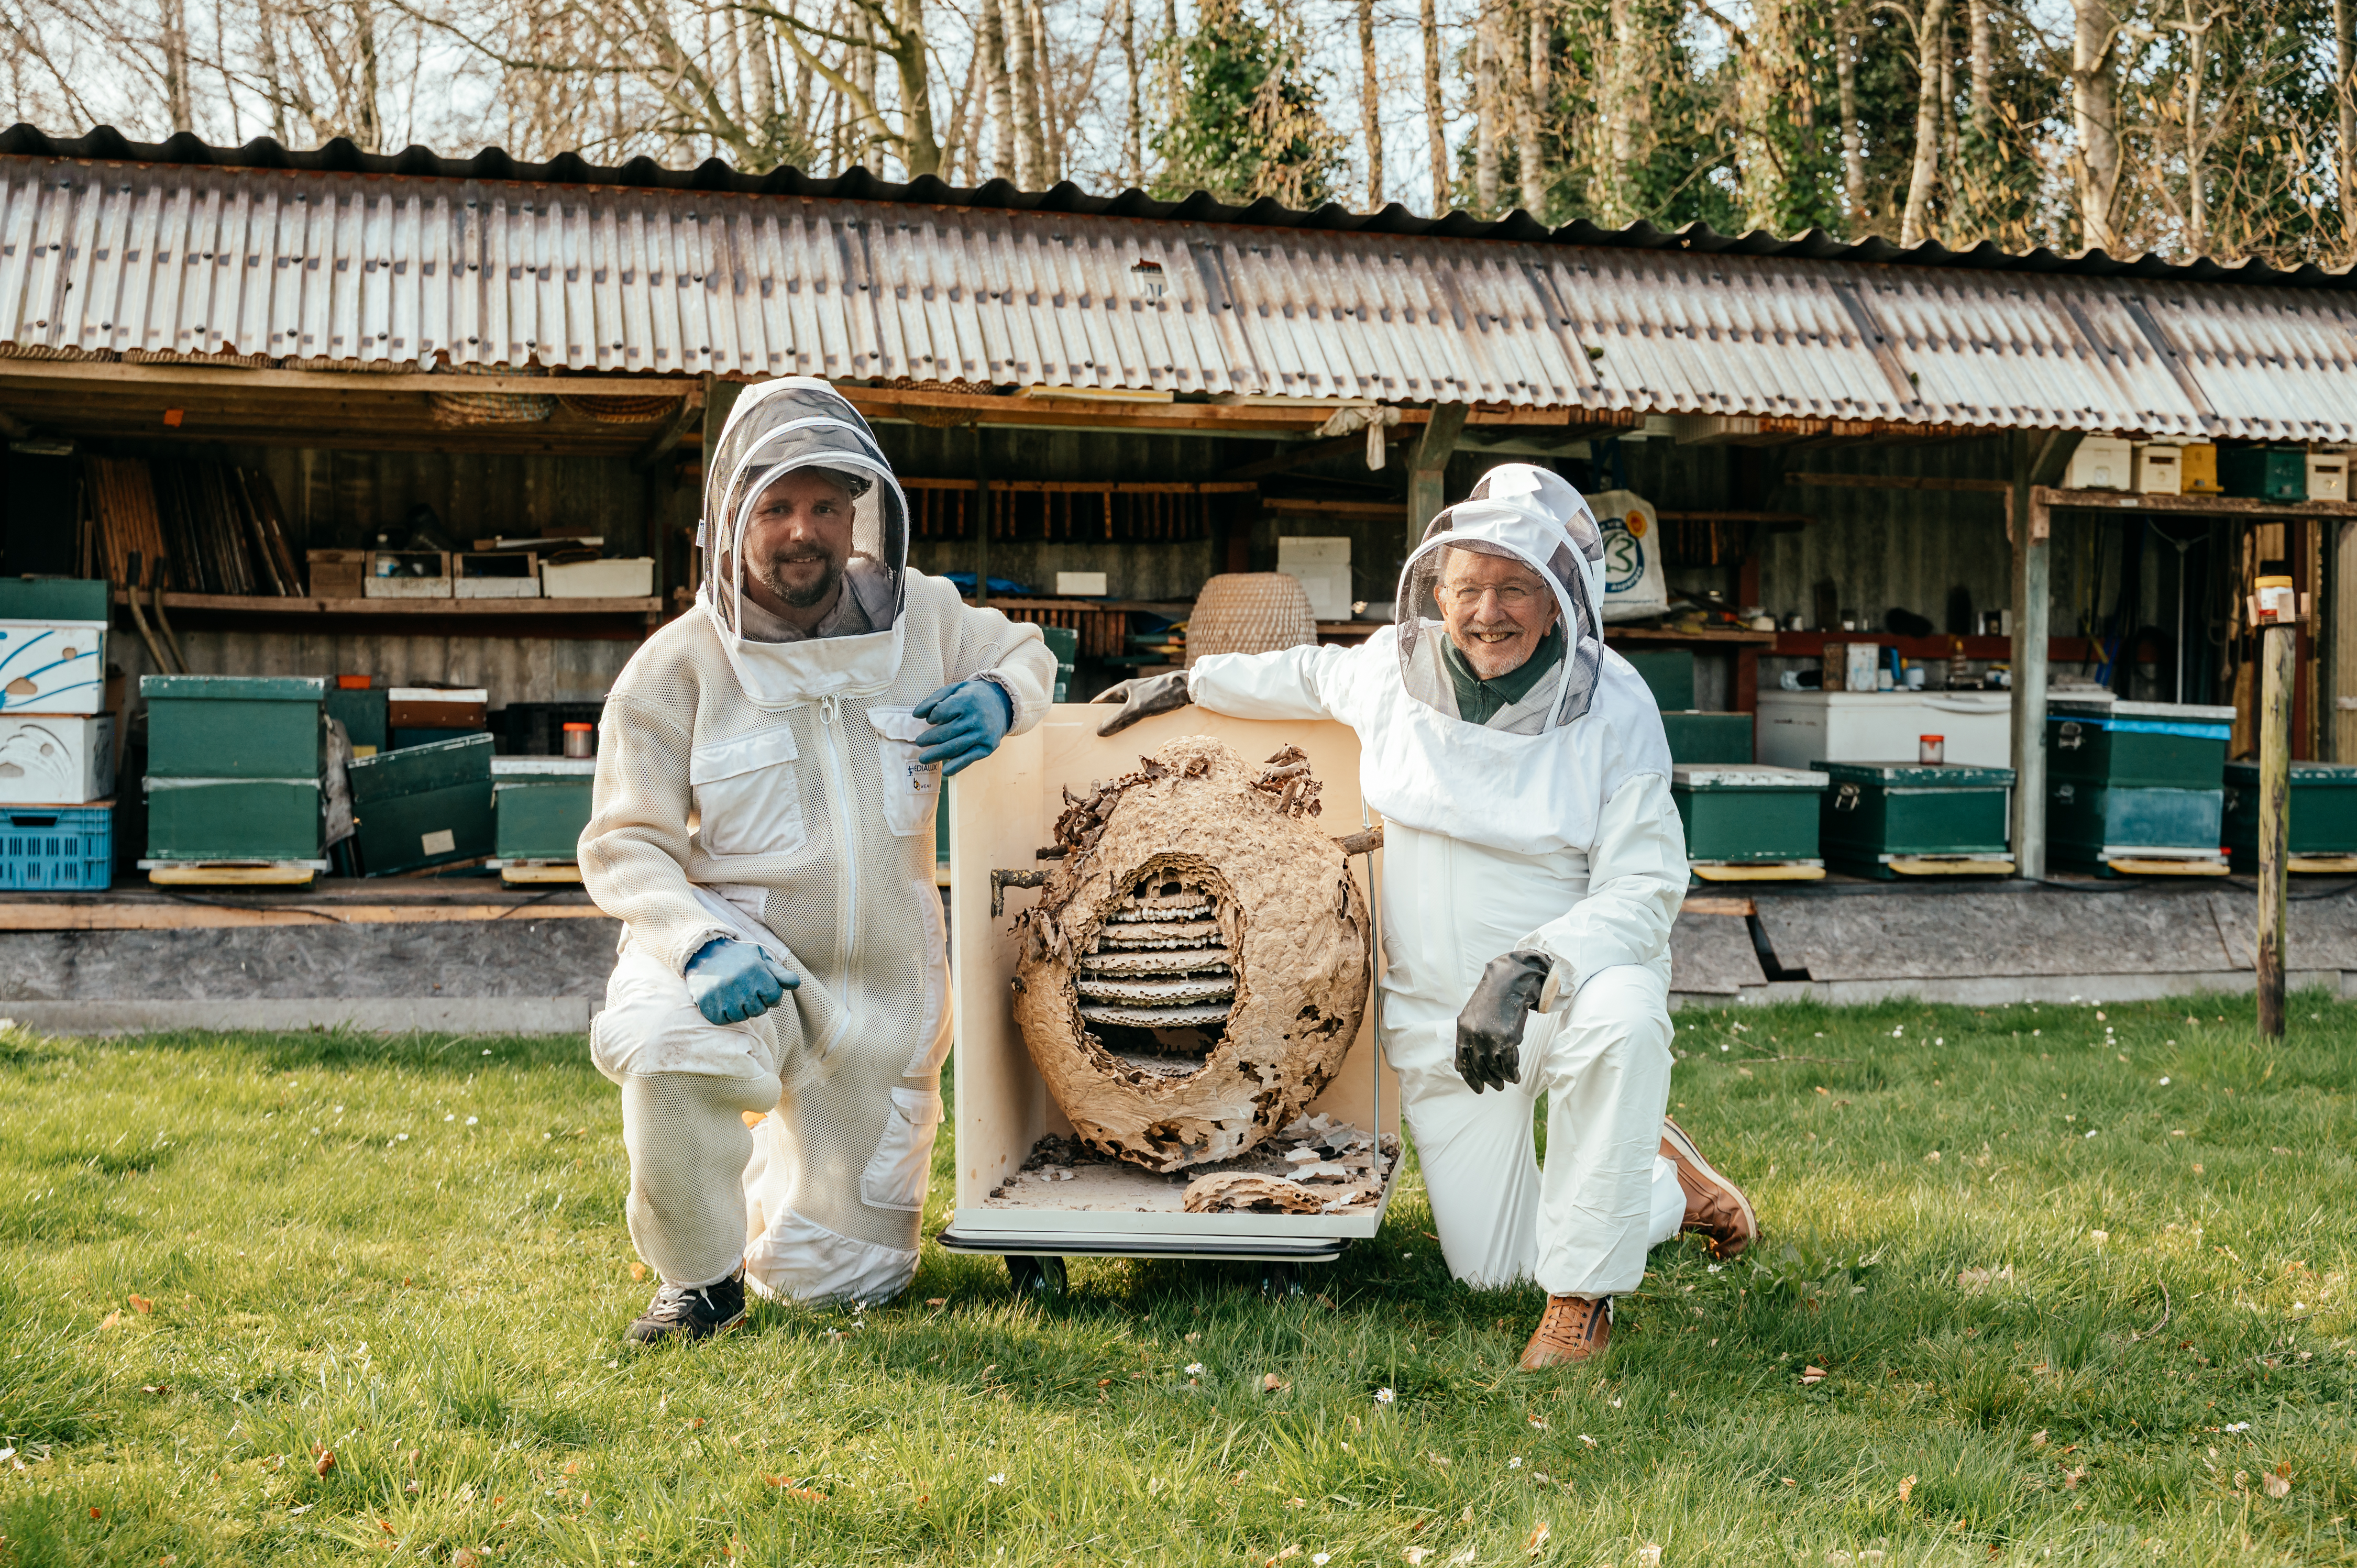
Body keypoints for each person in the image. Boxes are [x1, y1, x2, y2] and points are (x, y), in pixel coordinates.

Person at [1095, 463, 1755, 1368]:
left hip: (1563, 997)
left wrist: (1532, 964)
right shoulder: (1389, 670)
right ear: (1437, 591)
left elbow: (1646, 887)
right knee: (1490, 1272)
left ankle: (1582, 1306)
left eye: (1516, 588)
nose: (1489, 612)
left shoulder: (1617, 706)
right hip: (1443, 1022)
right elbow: (1309, 672)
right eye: (1468, 588)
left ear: (1561, 599)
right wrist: (1191, 683)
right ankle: (1663, 1186)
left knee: (1627, 1020)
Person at [580, 378, 1059, 1344]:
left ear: (858, 513)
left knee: (840, 1286)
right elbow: (625, 842)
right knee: (672, 1053)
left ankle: (791, 1211)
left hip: (884, 990)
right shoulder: (676, 666)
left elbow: (1030, 651)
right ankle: (700, 1281)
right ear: (733, 521)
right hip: (737, 959)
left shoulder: (921, 615)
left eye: (825, 506)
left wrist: (1005, 695)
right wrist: (696, 941)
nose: (803, 530)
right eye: (777, 507)